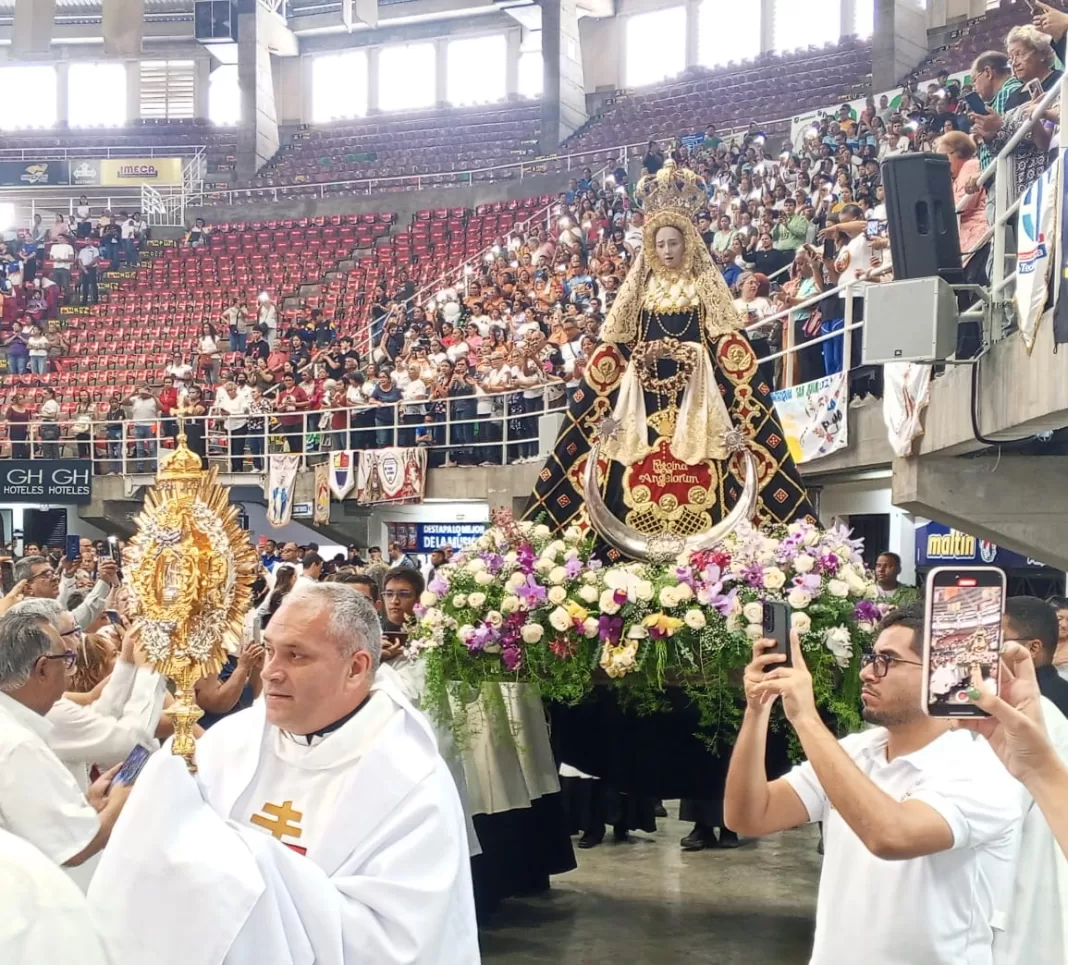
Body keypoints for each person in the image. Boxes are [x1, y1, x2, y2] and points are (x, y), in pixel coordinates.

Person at [87, 583, 479, 965]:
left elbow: (397, 944)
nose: (271, 672)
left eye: (296, 656)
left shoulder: (409, 779)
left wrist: (250, 860)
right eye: (270, 651)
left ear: (356, 668)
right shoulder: (230, 740)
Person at [725, 605, 1022, 965]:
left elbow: (890, 835)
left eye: (888, 660)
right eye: (871, 657)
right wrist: (757, 709)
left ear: (941, 675)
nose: (867, 672)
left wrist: (805, 716)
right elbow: (750, 816)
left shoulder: (979, 767)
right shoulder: (856, 751)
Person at [0, 606, 132, 871]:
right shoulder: (18, 745)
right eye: (67, 659)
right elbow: (75, 848)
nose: (70, 669)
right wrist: (123, 796)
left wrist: (88, 806)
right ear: (43, 669)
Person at [16, 554, 118, 632]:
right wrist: (104, 581)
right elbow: (75, 621)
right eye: (46, 574)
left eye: (53, 573)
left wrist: (69, 574)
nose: (55, 578)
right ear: (27, 587)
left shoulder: (48, 605)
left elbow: (61, 605)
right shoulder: (27, 614)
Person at [1005, 596, 1068, 718]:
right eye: (1060, 619)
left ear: (1033, 648)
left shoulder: (1047, 704)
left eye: (1000, 640)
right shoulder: (991, 689)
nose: (1064, 625)